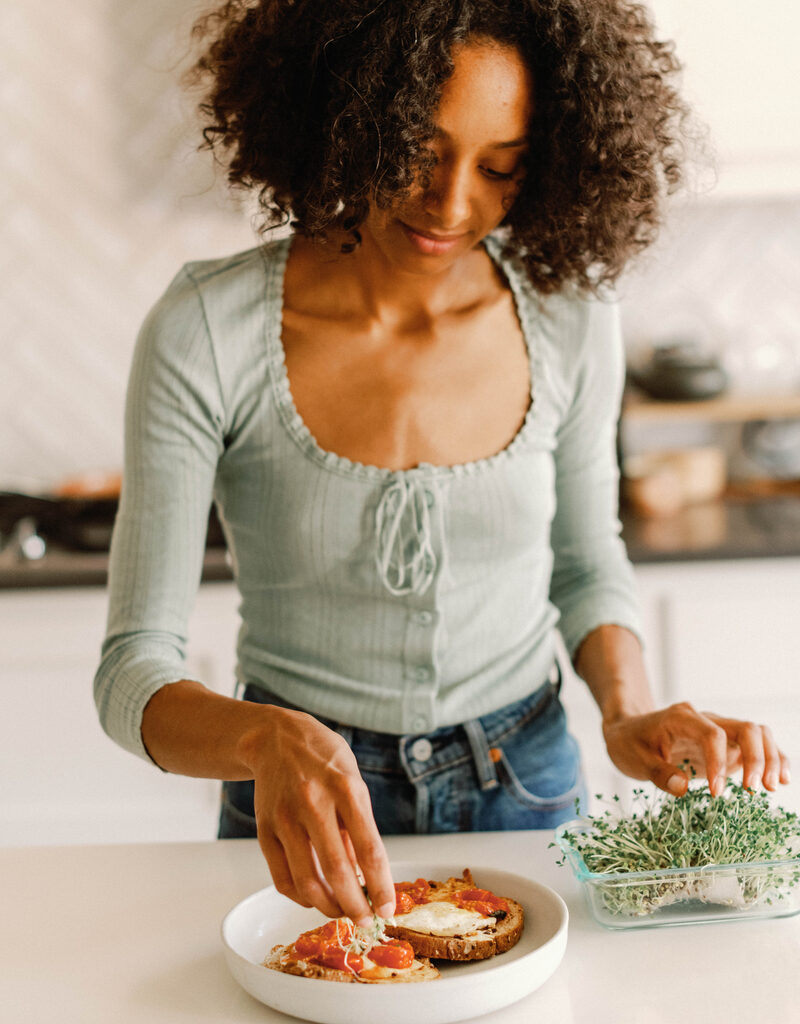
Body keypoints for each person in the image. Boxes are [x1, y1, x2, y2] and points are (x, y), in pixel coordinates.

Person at [94, 0, 789, 928]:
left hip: (527, 789)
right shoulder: (205, 331)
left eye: (502, 167)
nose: (455, 204)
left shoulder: (570, 316)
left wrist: (628, 711)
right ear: (351, 118)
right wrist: (263, 740)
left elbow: (586, 563)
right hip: (306, 803)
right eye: (420, 149)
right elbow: (131, 671)